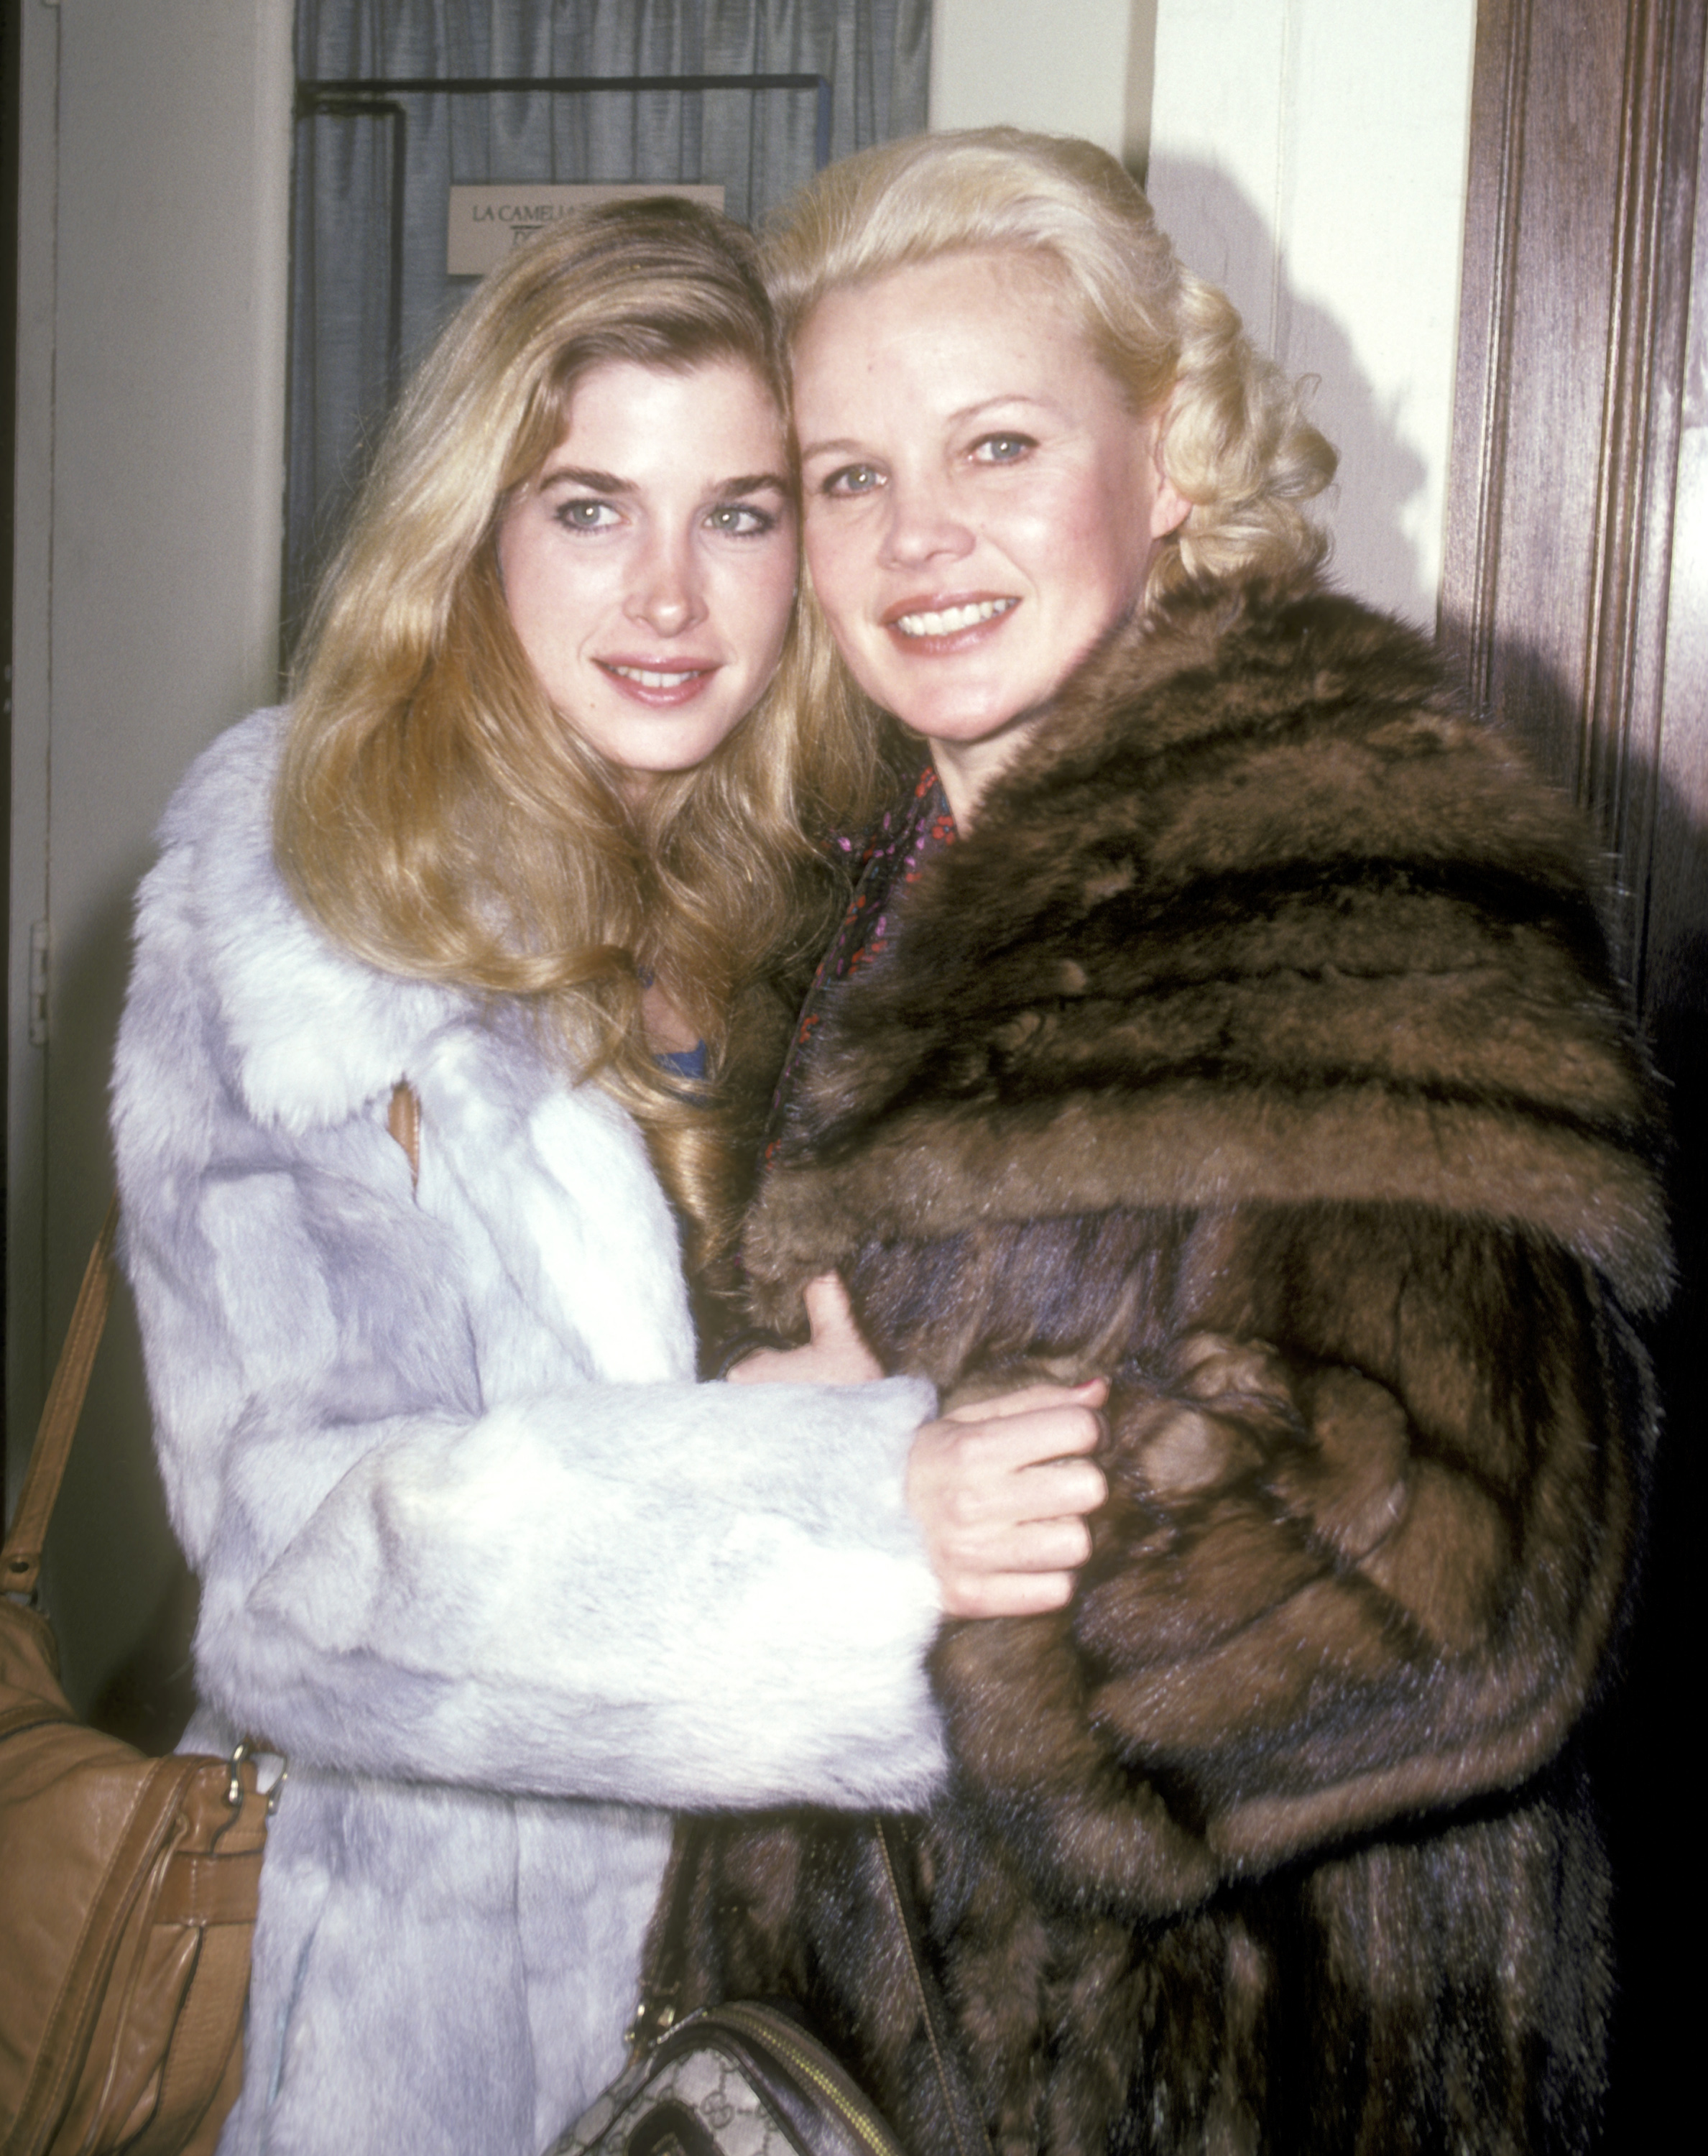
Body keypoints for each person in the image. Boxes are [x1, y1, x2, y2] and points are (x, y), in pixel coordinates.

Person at [663, 133, 1671, 2155]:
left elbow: (1450, 1574)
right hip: (841, 2051)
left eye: (999, 448)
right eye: (851, 475)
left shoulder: (1353, 860)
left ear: (1173, 462)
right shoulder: (815, 892)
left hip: (1226, 2058)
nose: (916, 538)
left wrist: (884, 1528)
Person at [109, 197, 1107, 2156]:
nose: (668, 595)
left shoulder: (841, 882)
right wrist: (835, 1510)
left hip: (793, 1993)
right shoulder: (309, 904)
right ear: (475, 529)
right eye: (587, 507)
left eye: (738, 511)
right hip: (439, 2000)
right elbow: (290, 1568)